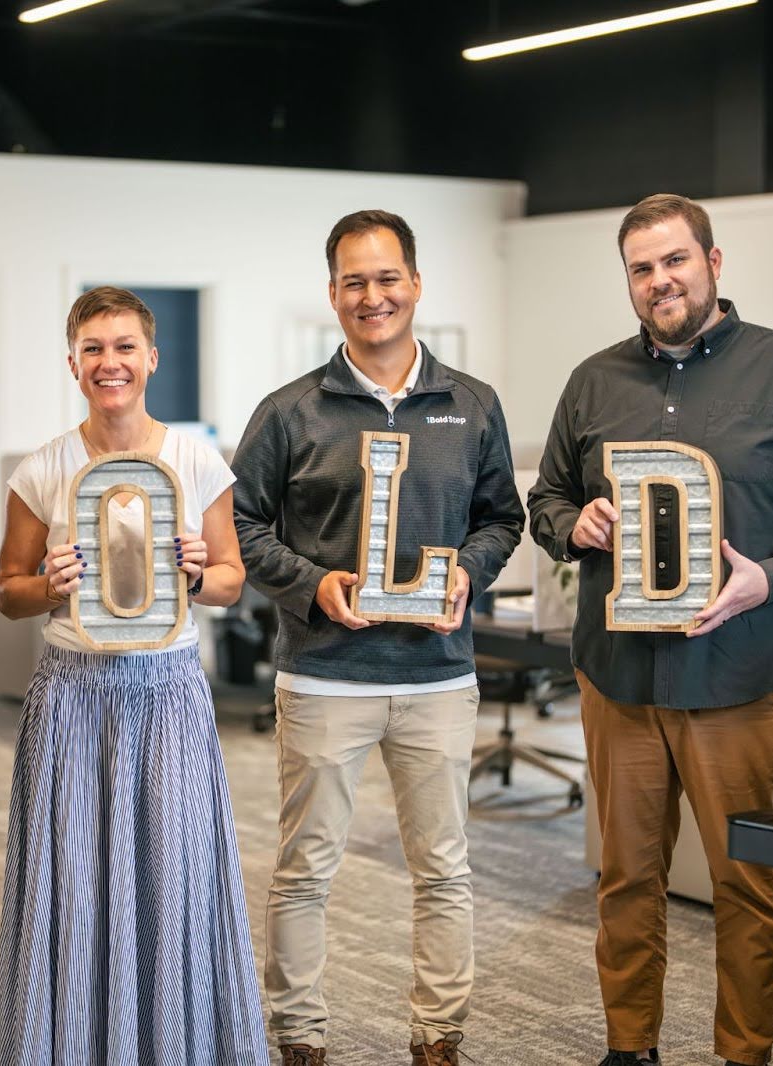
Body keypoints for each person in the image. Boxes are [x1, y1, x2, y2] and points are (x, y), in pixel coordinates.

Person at [527, 193, 773, 1066]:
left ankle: (743, 1053)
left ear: (714, 264)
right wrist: (573, 525)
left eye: (675, 260)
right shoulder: (593, 381)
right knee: (626, 882)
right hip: (620, 677)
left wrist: (772, 577)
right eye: (642, 268)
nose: (660, 281)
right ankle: (629, 1049)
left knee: (745, 884)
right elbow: (546, 502)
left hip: (741, 673)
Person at [232, 210, 524, 1066]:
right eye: (354, 281)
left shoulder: (472, 405)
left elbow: (502, 518)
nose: (374, 295)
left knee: (443, 870)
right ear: (333, 294)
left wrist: (471, 570)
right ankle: (300, 1037)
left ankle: (439, 1037)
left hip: (438, 676)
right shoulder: (289, 412)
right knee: (307, 870)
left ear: (416, 284)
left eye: (388, 277)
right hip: (325, 675)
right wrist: (311, 584)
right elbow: (242, 528)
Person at [0, 286, 268, 1065]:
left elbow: (229, 581)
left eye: (123, 347)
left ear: (151, 357)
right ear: (73, 362)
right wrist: (49, 584)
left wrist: (197, 570)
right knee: (74, 893)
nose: (109, 363)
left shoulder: (195, 462)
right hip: (74, 695)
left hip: (169, 694)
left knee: (170, 890)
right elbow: (10, 593)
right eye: (93, 349)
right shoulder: (42, 469)